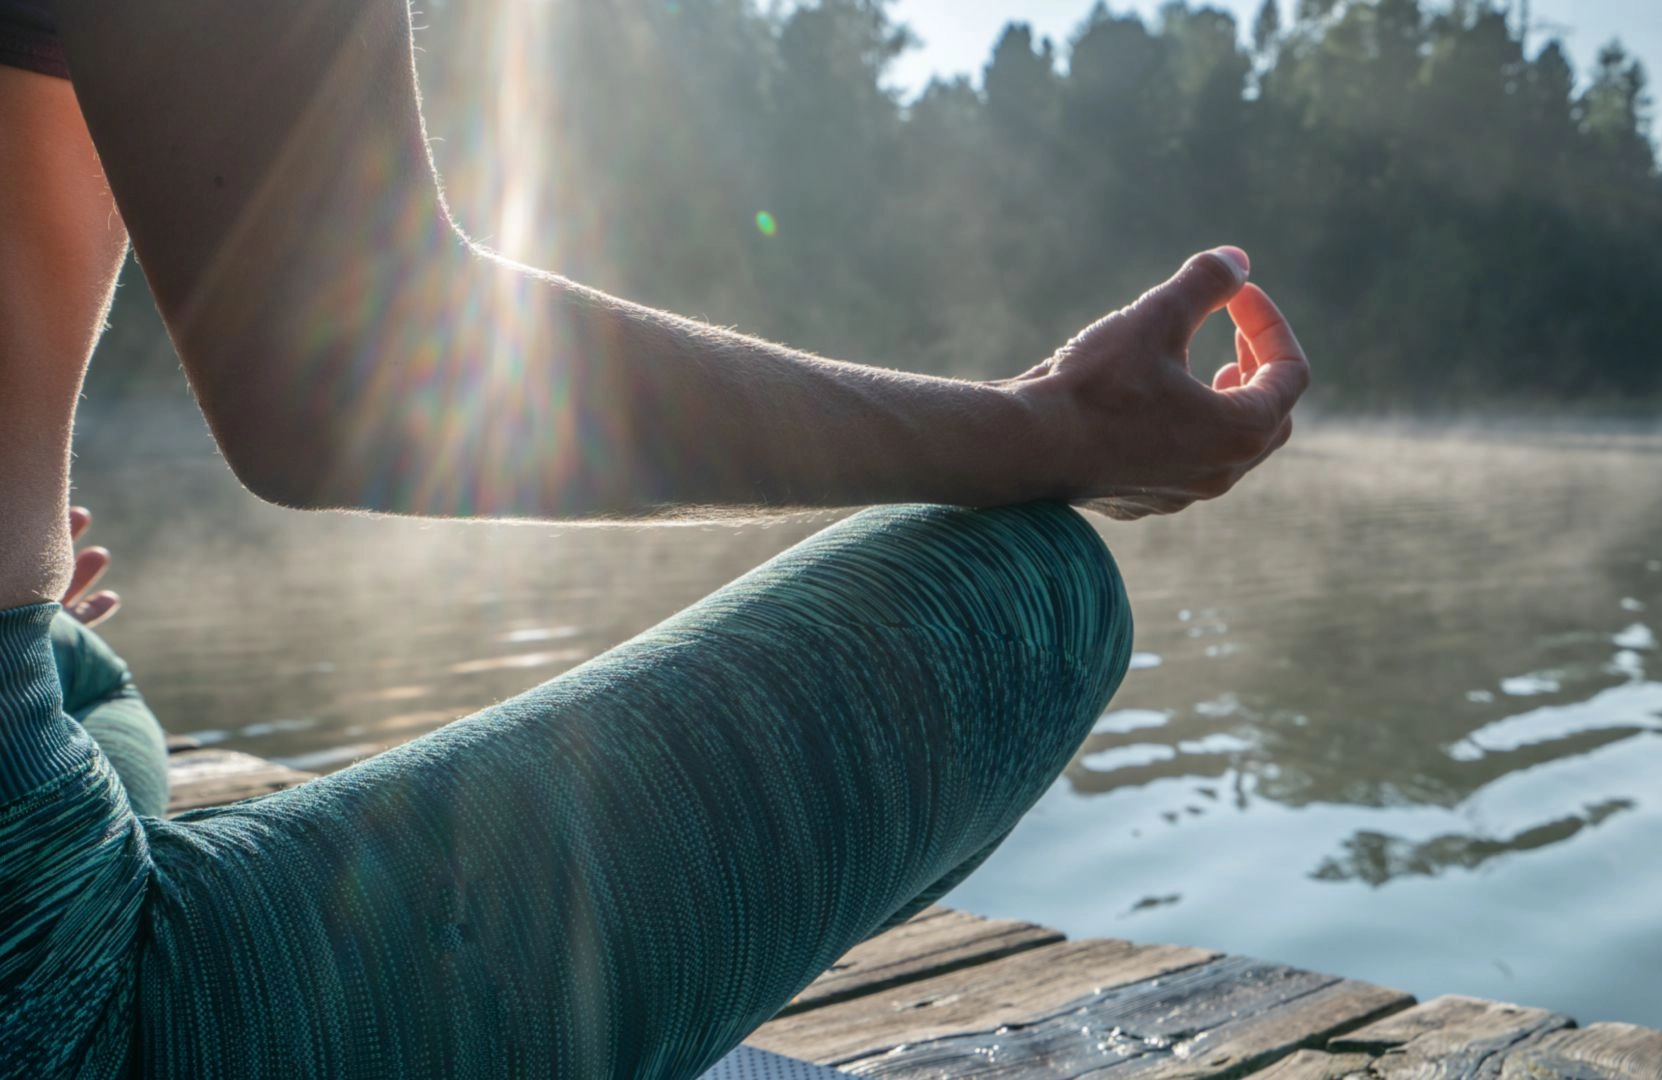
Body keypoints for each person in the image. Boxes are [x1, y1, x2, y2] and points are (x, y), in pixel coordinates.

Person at [0, 1, 1312, 1076]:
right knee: (1033, 598)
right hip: (64, 1014)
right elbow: (346, 385)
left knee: (93, 696)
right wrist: (1052, 432)